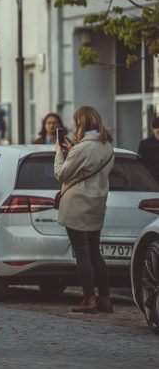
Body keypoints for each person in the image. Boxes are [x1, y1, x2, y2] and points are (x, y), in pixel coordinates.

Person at [54, 105, 116, 314]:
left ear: (81, 123)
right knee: (95, 252)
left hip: (77, 204)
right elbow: (92, 169)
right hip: (96, 204)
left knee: (82, 253)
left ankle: (89, 298)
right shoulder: (107, 147)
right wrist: (72, 151)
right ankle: (105, 299)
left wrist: (59, 153)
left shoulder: (82, 148)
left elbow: (61, 174)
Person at [137, 116, 159, 182]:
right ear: (153, 130)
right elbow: (141, 165)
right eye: (158, 132)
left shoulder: (144, 144)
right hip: (151, 181)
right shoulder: (145, 145)